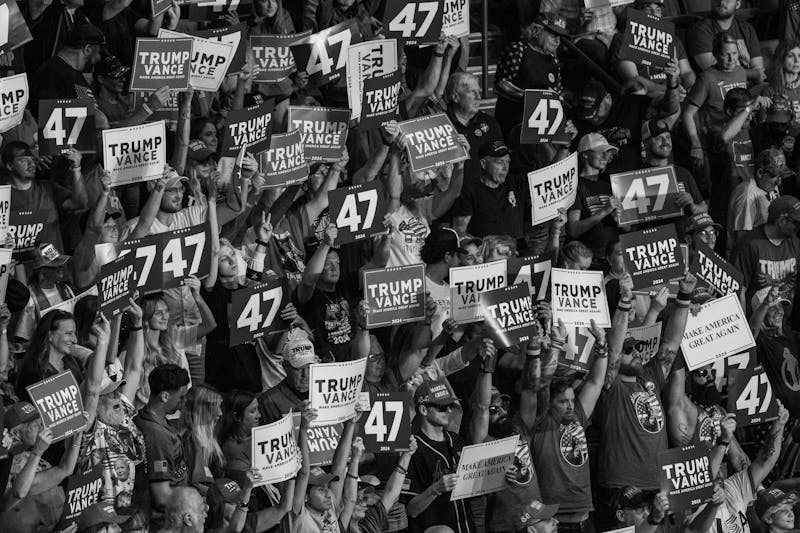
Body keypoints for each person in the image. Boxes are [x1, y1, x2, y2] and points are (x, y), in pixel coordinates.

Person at [406, 380, 474, 533]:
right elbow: (411, 510)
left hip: (467, 526)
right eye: (442, 407)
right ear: (423, 410)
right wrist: (435, 489)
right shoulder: (413, 449)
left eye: (450, 406)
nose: (449, 411)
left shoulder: (456, 440)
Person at [134, 364, 190, 527]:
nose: (183, 402)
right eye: (181, 397)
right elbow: (162, 495)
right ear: (165, 396)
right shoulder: (156, 435)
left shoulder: (152, 420)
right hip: (166, 521)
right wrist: (194, 508)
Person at [494, 14, 566, 138]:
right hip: (514, 122)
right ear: (536, 31)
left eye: (560, 37)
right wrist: (530, 96)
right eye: (553, 35)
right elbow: (501, 83)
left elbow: (557, 93)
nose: (557, 41)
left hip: (540, 128)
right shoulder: (519, 50)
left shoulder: (553, 61)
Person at [732, 195, 800, 313]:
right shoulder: (749, 245)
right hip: (756, 321)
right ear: (782, 221)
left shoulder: (795, 242)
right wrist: (745, 329)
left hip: (783, 321)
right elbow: (738, 291)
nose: (798, 227)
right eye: (796, 223)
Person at [452, 140, 526, 241]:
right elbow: (459, 233)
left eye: (508, 161)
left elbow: (550, 174)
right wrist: (487, 246)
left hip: (515, 252)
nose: (505, 167)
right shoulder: (470, 190)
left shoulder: (515, 183)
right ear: (483, 163)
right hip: (485, 254)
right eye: (499, 162)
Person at [686, 0, 765, 83]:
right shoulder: (700, 30)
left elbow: (759, 71)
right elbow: (716, 71)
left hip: (747, 87)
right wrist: (751, 74)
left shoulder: (746, 29)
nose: (721, 2)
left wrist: (753, 75)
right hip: (719, 89)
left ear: (737, 4)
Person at [728, 148, 789, 243]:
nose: (779, 182)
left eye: (781, 176)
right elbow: (743, 239)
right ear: (760, 173)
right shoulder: (747, 194)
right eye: (775, 176)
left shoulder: (769, 185)